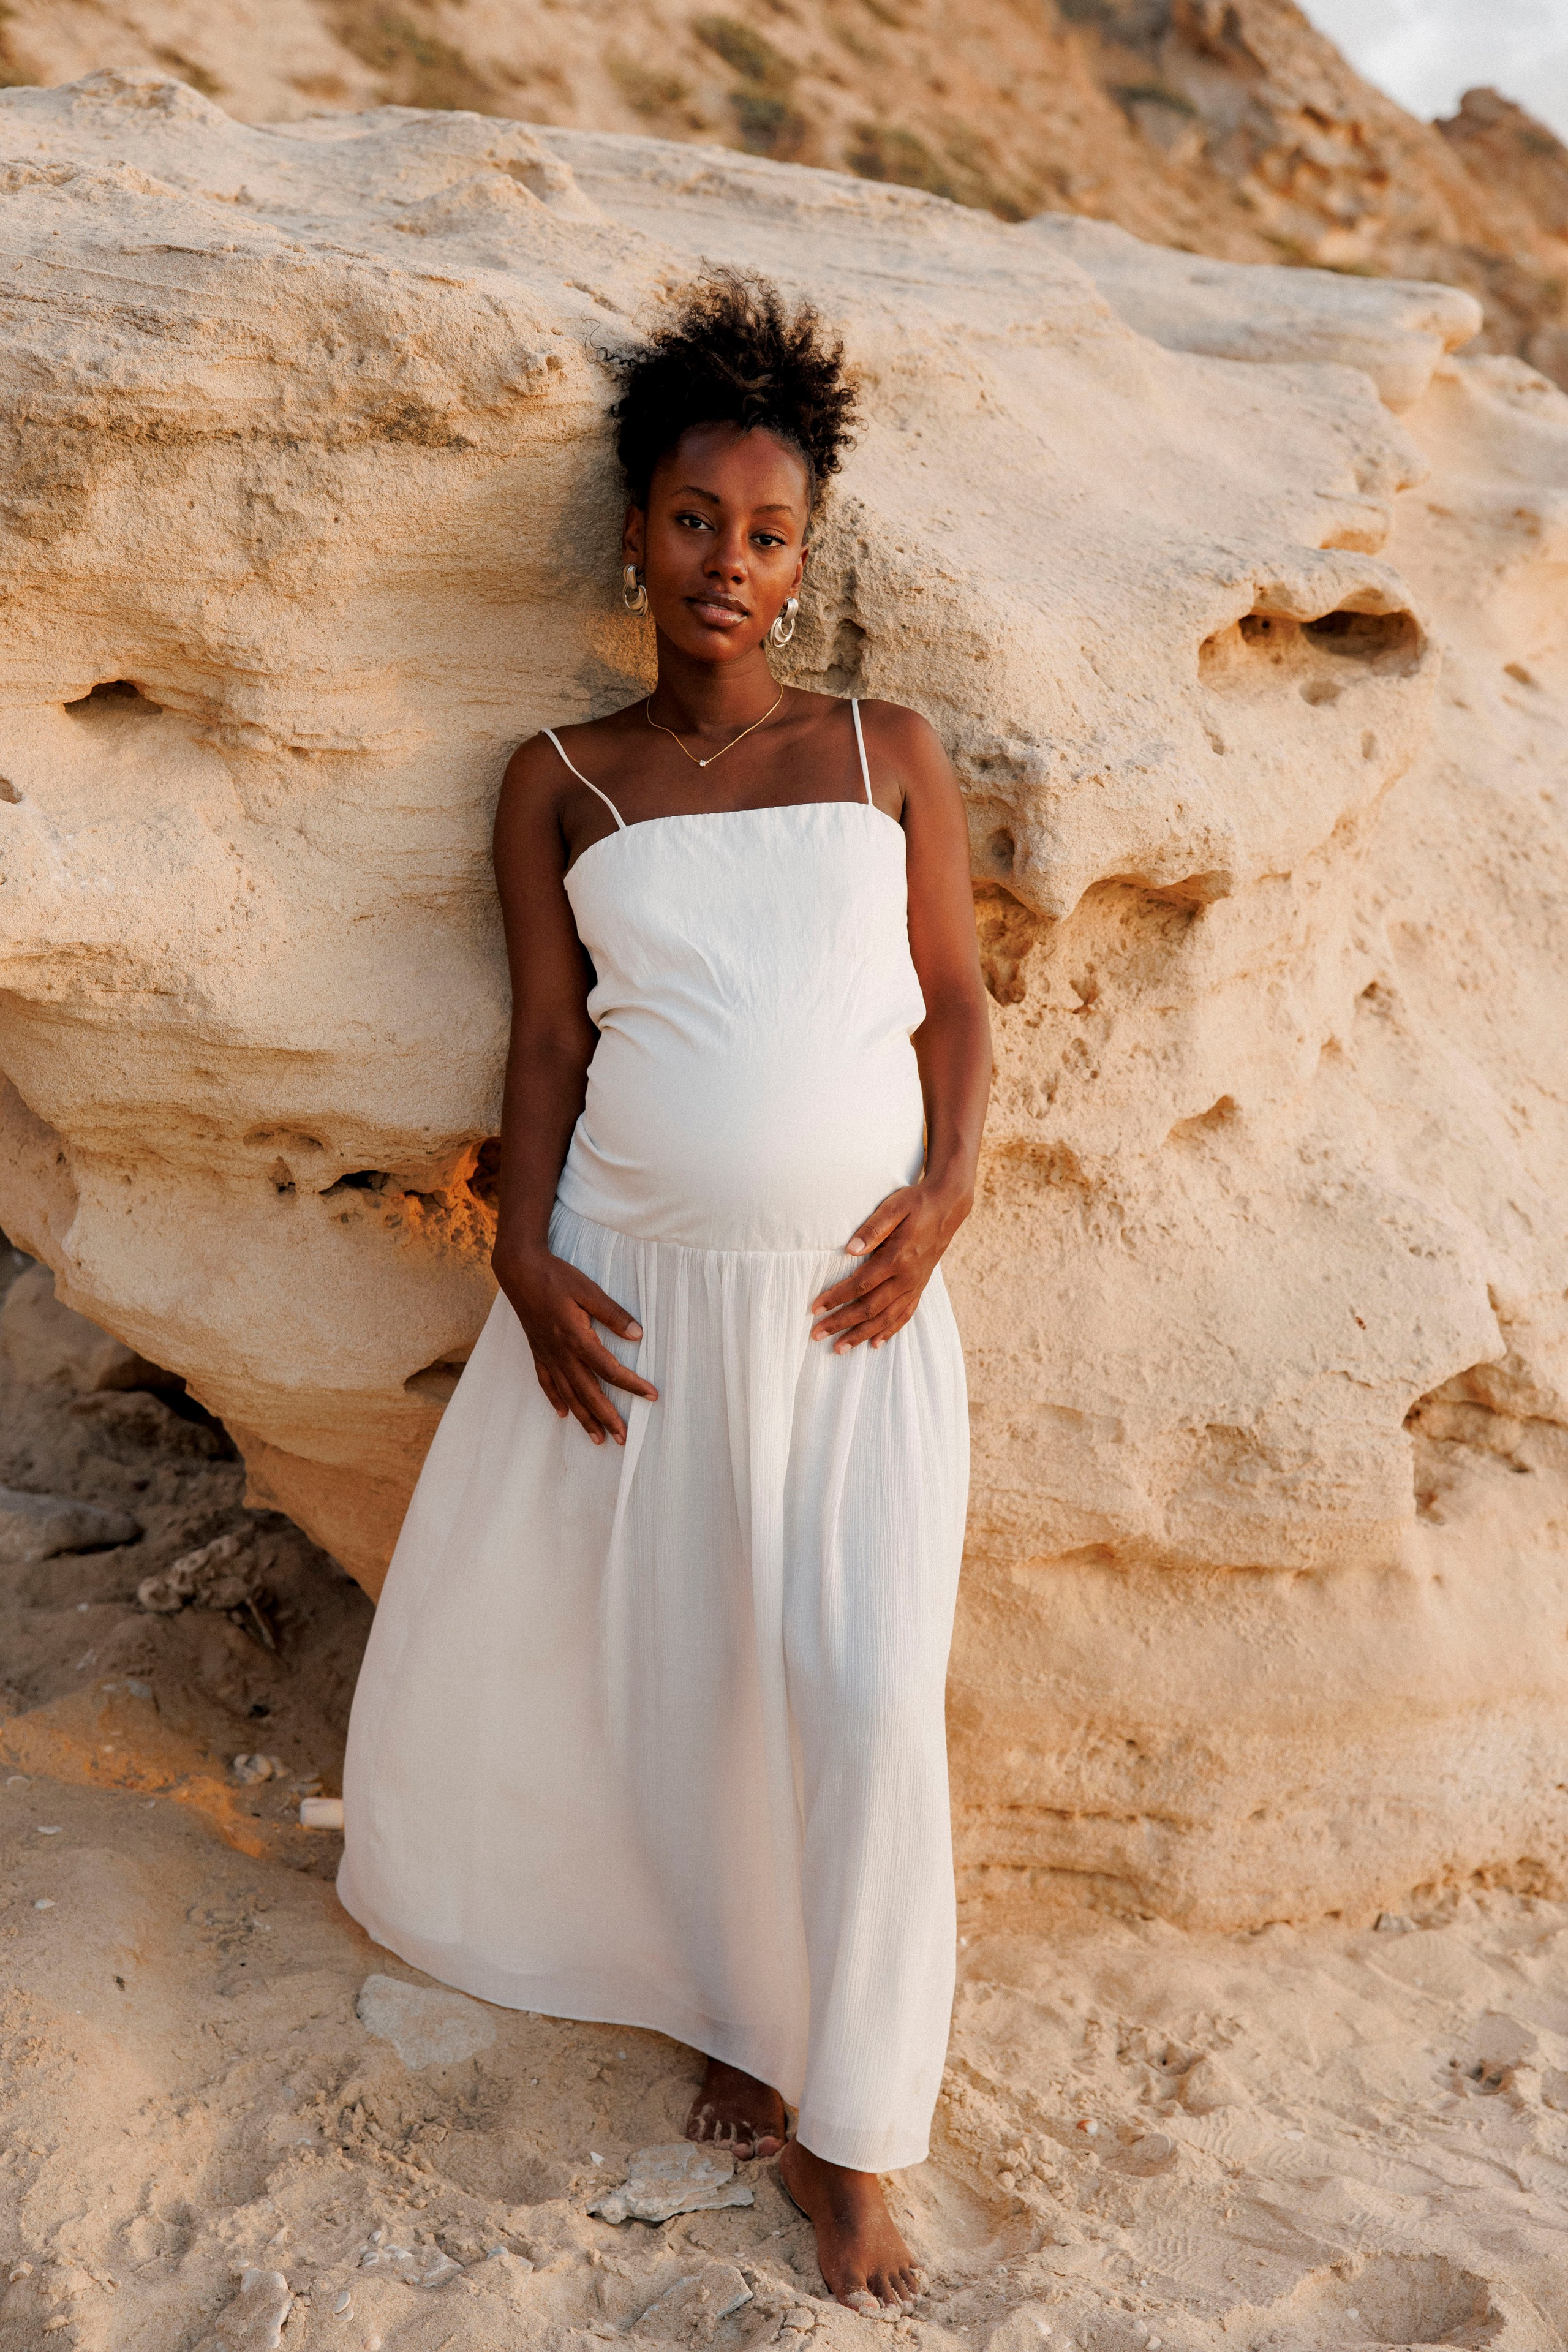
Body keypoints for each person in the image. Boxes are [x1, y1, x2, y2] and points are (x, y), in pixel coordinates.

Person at [338, 271, 992, 2311]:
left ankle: (854, 2144)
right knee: (695, 1678)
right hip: (633, 1287)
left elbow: (959, 1007)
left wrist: (953, 1190)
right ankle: (737, 2002)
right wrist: (525, 1253)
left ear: (807, 562)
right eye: (695, 518)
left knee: (868, 1700)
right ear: (636, 530)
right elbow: (547, 1049)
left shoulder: (886, 751)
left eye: (769, 531)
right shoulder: (560, 774)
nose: (729, 562)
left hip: (851, 1310)